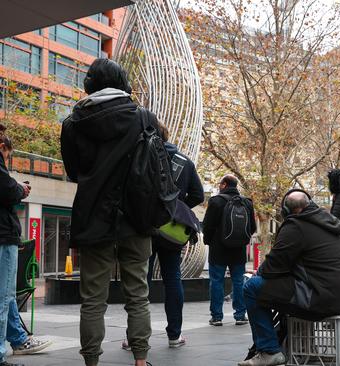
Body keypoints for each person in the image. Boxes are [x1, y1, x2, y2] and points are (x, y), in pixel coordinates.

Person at [60, 59, 154, 366]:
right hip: (136, 219)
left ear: (89, 84)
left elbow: (74, 172)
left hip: (93, 219)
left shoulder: (73, 123)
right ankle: (140, 360)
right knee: (137, 295)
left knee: (92, 301)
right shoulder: (142, 118)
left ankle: (91, 362)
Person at [239, 190, 340, 366]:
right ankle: (301, 345)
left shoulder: (296, 226)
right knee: (280, 290)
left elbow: (273, 266)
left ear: (288, 211)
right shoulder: (328, 222)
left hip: (321, 297)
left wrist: (259, 272)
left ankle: (269, 351)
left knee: (252, 287)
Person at [137, 123, 203, 348]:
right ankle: (174, 335)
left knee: (140, 281)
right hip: (171, 230)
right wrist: (177, 208)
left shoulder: (142, 156)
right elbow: (198, 194)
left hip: (145, 226)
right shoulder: (185, 162)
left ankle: (135, 337)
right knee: (173, 279)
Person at [2, 125, 50, 366]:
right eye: (7, 156)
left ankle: (19, 338)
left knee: (6, 294)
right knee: (4, 296)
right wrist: (20, 189)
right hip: (3, 236)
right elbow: (6, 188)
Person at [203, 175, 256, 327]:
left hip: (218, 249)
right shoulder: (246, 202)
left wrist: (209, 241)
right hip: (238, 250)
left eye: (220, 184)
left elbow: (207, 225)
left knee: (216, 281)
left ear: (224, 184)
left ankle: (217, 317)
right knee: (238, 282)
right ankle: (240, 315)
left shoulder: (215, 201)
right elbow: (252, 227)